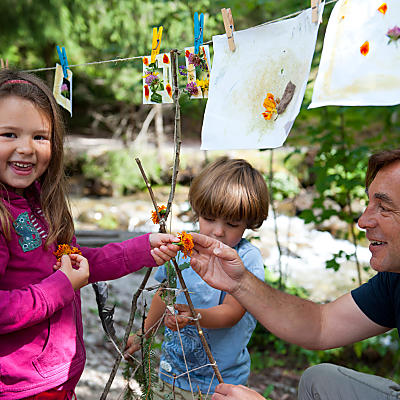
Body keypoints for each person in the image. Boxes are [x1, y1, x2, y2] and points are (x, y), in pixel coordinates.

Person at [0, 69, 180, 400]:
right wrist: (60, 287)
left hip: (57, 379)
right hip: (20, 387)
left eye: (40, 137)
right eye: (9, 134)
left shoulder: (43, 200)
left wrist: (142, 249)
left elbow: (80, 264)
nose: (25, 148)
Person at [189, 148, 400, 400]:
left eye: (384, 207)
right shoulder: (394, 279)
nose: (363, 220)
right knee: (320, 380)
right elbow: (321, 325)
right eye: (368, 203)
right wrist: (240, 282)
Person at [125, 158, 270, 399]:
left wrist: (193, 318)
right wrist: (145, 332)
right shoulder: (185, 249)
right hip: (171, 373)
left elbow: (231, 314)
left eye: (232, 223)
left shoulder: (247, 259)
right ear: (197, 212)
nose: (218, 231)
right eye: (209, 219)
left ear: (249, 223)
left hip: (219, 382)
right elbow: (165, 292)